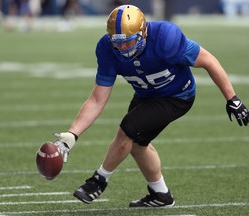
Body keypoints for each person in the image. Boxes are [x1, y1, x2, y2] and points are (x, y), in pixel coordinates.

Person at [53, 4, 248, 207]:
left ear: (143, 32)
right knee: (137, 145)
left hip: (177, 96)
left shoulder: (165, 38)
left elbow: (208, 60)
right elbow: (97, 99)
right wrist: (72, 134)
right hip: (146, 95)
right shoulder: (106, 48)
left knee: (128, 129)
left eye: (128, 42)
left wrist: (232, 98)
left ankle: (98, 181)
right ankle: (161, 194)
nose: (123, 48)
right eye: (117, 42)